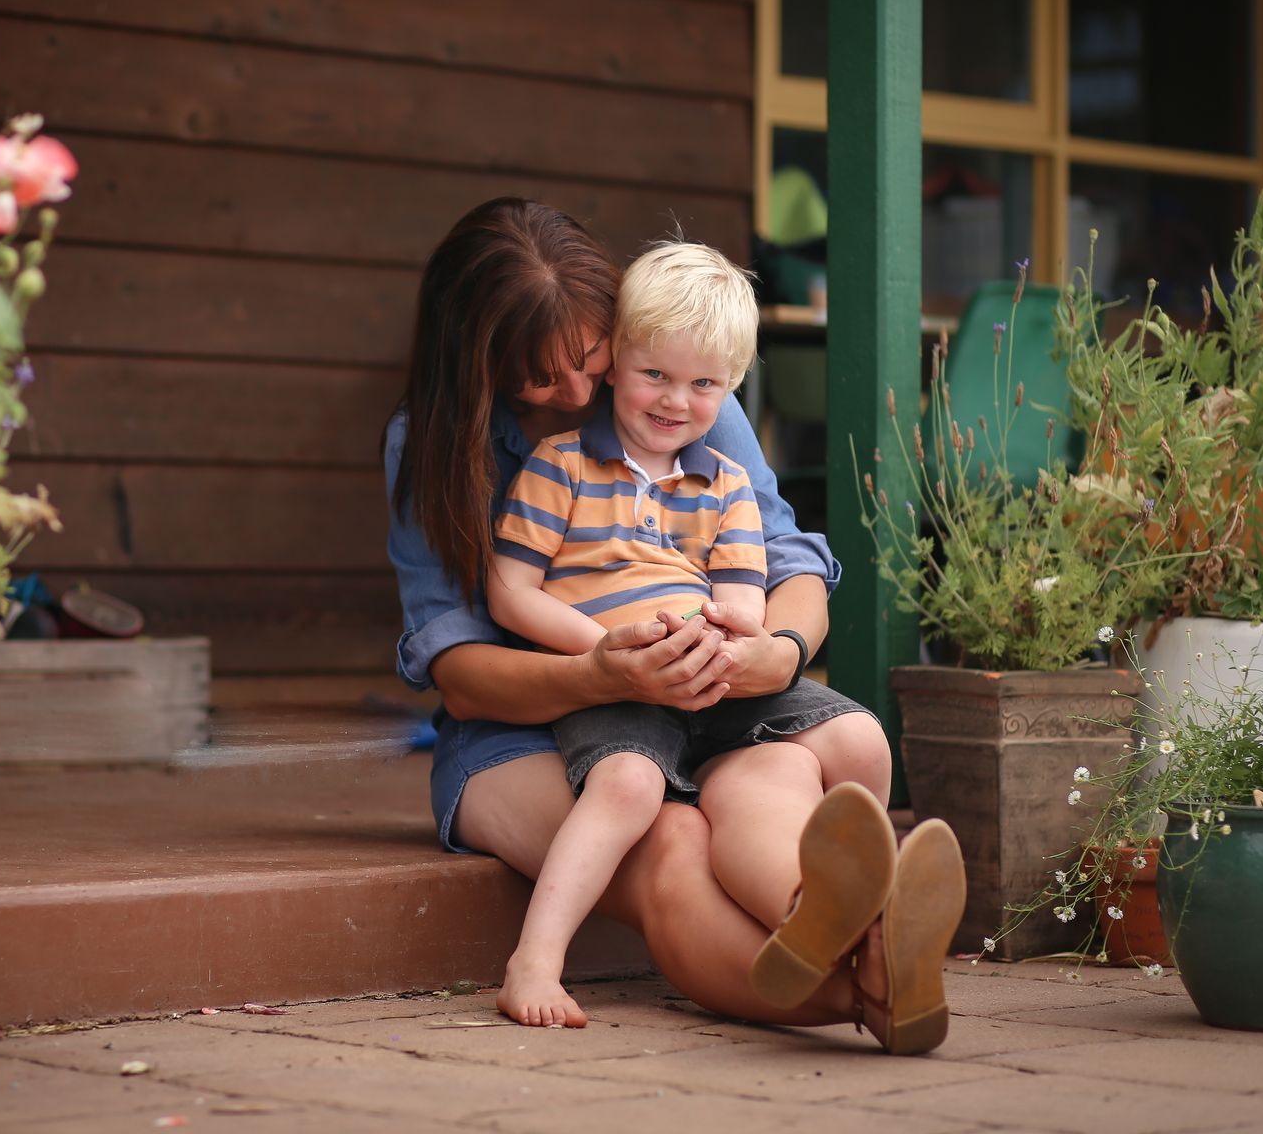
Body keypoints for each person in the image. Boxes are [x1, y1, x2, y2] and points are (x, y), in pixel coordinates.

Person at [383, 197, 965, 1050]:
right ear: (477, 367)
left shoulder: (678, 379)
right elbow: (464, 674)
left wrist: (776, 652)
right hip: (524, 725)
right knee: (670, 837)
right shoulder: (437, 442)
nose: (581, 393)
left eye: (591, 358)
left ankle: (863, 946)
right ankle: (869, 988)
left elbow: (784, 560)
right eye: (541, 381)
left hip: (698, 692)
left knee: (772, 779)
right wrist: (601, 673)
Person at [482, 241, 884, 1026]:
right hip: (616, 674)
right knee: (627, 786)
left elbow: (742, 595)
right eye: (655, 375)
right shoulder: (560, 463)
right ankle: (533, 961)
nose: (674, 401)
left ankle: (859, 911)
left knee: (860, 739)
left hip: (710, 671)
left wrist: (737, 643)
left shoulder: (726, 483)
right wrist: (600, 654)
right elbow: (509, 590)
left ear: (732, 387)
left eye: (704, 384)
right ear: (617, 361)